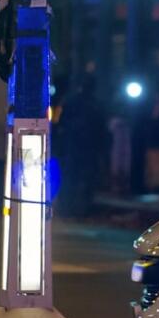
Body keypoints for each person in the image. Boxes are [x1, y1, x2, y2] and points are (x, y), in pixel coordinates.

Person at [55, 75, 109, 217]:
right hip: (82, 149)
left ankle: (71, 209)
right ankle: (76, 209)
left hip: (76, 148)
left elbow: (61, 125)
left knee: (74, 180)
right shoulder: (94, 105)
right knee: (80, 180)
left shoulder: (74, 103)